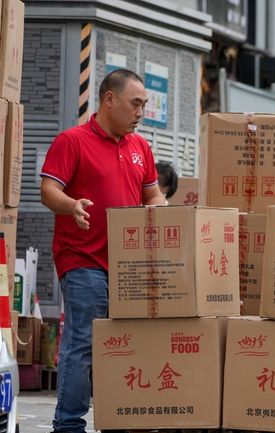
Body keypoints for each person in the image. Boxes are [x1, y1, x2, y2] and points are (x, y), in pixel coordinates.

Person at [40, 69, 166, 433]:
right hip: (82, 260)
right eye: (135, 103)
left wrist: (159, 205)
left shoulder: (140, 147)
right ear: (109, 100)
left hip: (129, 266)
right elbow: (49, 189)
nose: (141, 112)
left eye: (144, 104)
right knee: (85, 339)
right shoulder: (72, 141)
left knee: (125, 343)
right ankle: (68, 424)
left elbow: (152, 193)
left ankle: (120, 419)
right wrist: (71, 205)